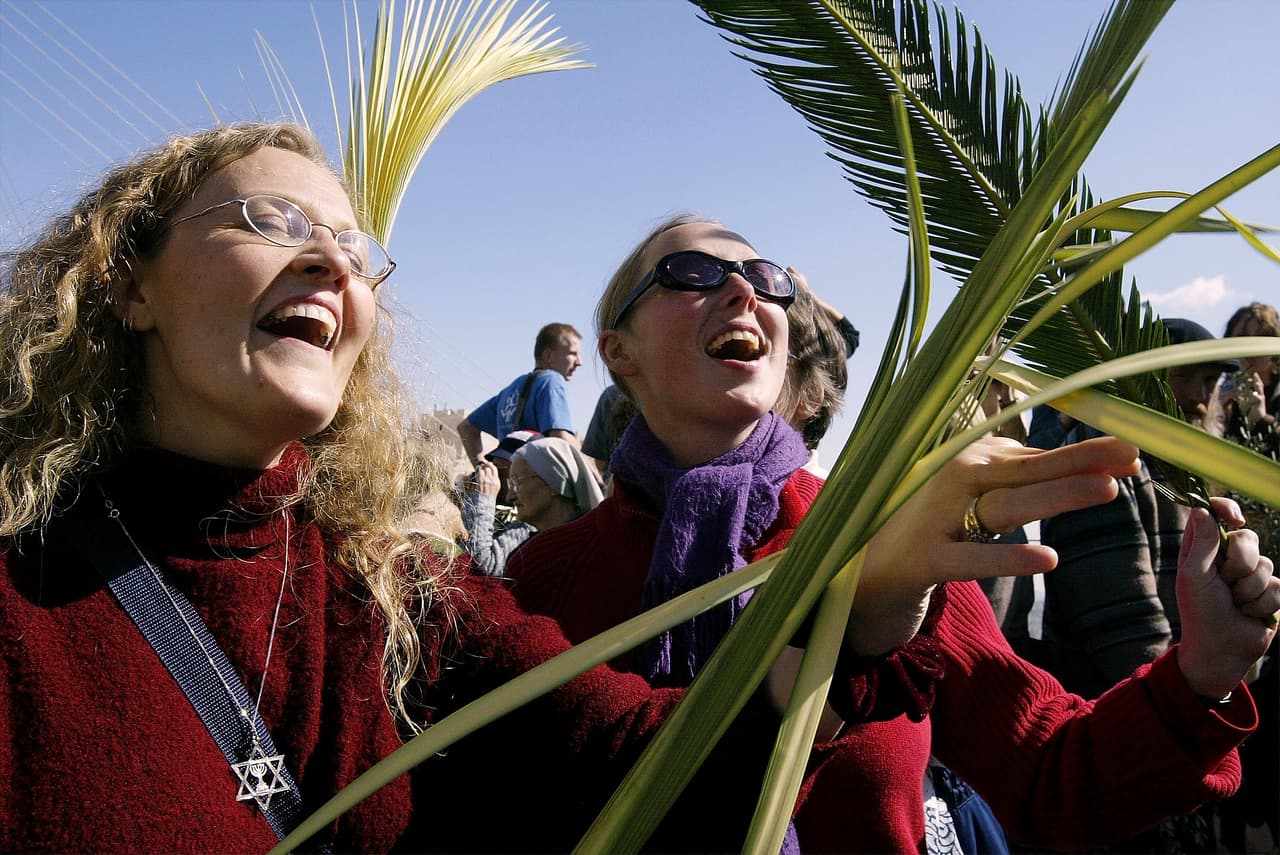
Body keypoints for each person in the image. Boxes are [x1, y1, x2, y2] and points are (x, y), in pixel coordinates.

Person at [0, 124, 909, 853]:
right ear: (129, 284)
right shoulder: (21, 592)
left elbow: (639, 767)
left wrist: (858, 604)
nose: (332, 262)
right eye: (273, 219)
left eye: (353, 248)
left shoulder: (403, 595)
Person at [504, 214, 1279, 852]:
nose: (743, 289)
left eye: (766, 278)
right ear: (618, 350)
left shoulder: (884, 533)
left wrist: (1203, 671)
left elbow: (1052, 776)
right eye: (693, 273)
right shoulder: (544, 577)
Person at [461, 435, 603, 576]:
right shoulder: (533, 548)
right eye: (510, 482)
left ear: (554, 484)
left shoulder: (585, 551)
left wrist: (482, 500)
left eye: (518, 482)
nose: (510, 497)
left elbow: (483, 568)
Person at [457, 322, 583, 463]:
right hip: (535, 474)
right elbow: (560, 436)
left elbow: (466, 428)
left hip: (510, 473)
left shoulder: (510, 390)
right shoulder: (551, 379)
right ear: (548, 355)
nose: (579, 362)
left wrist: (481, 467)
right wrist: (593, 472)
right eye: (573, 354)